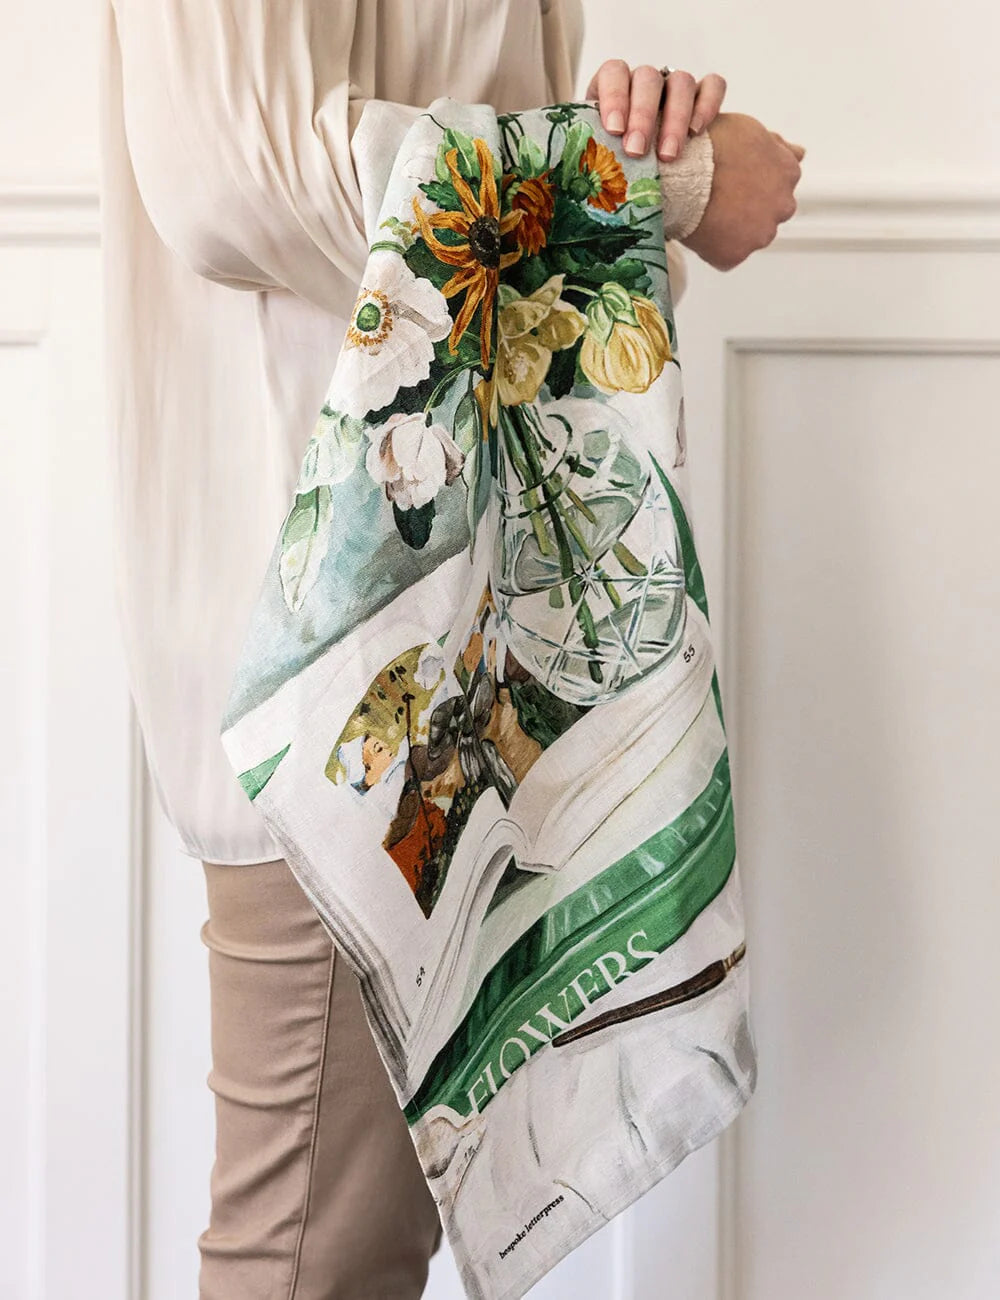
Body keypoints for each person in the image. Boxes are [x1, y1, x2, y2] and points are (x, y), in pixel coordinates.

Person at [99, 2, 803, 1295]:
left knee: (359, 1243)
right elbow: (233, 177)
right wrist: (659, 180)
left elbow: (479, 233)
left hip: (453, 621)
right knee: (317, 1254)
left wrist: (610, 142)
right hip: (339, 648)